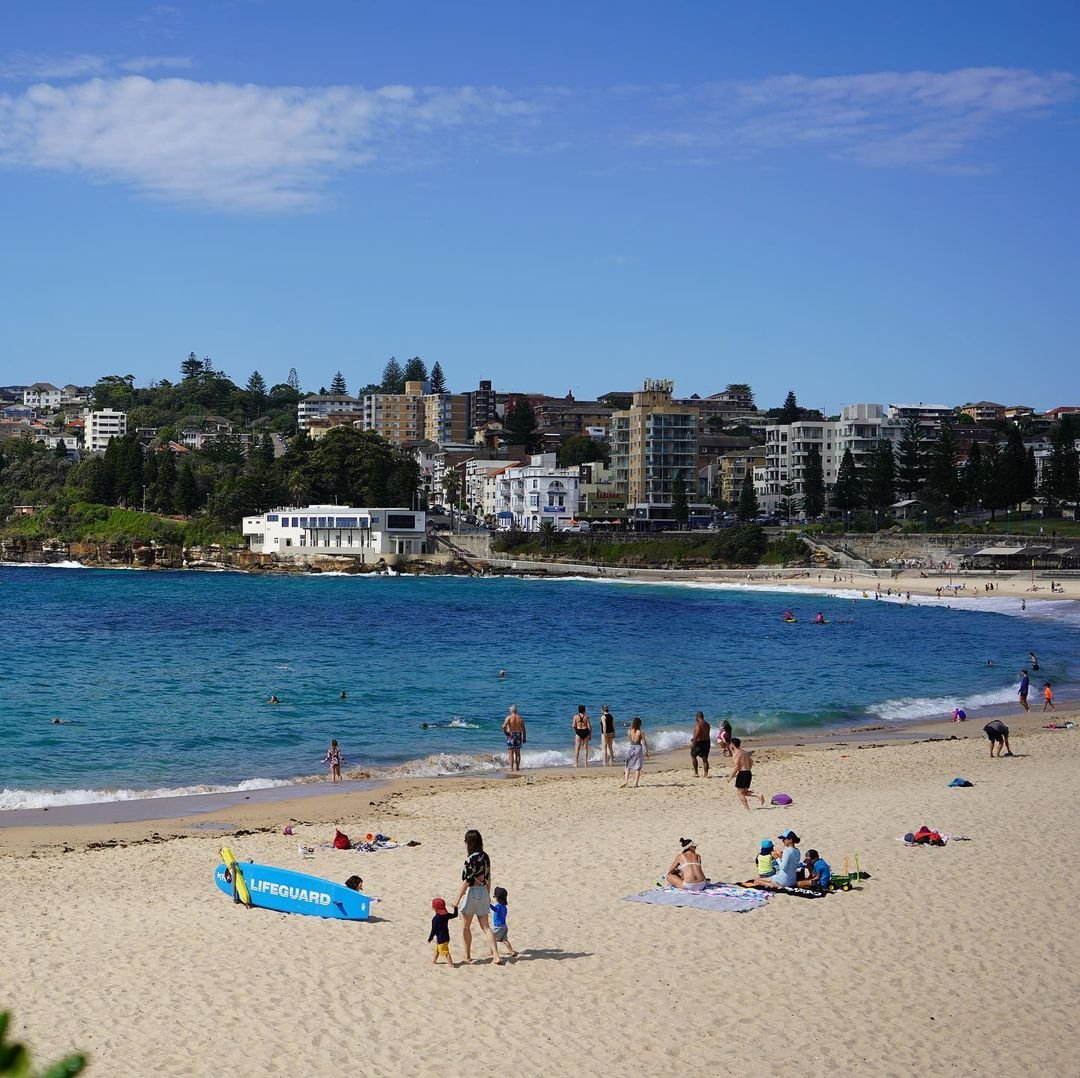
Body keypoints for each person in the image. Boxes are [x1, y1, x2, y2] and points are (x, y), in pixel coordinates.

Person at [453, 830, 502, 965]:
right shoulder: (485, 857)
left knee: (466, 927)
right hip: (483, 892)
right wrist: (487, 894)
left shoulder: (470, 859)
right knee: (486, 927)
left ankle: (467, 955)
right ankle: (496, 955)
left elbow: (467, 881)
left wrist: (457, 900)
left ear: (469, 842)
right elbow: (488, 877)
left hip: (472, 893)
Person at [726, 737, 764, 810]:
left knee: (739, 793)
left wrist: (730, 777)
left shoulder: (736, 754)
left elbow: (737, 767)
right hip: (748, 772)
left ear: (733, 745)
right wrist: (748, 769)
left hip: (742, 773)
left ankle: (747, 809)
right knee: (744, 792)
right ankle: (758, 795)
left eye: (730, 744)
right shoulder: (743, 752)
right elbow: (751, 761)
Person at [428, 897, 459, 967]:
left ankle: (451, 964)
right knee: (437, 949)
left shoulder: (435, 919)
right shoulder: (446, 915)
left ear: (434, 908)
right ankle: (434, 961)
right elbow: (455, 915)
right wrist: (455, 908)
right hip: (446, 937)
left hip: (441, 939)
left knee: (445, 952)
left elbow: (433, 931)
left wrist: (430, 938)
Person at [620, 717, 649, 788]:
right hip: (638, 748)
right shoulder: (641, 732)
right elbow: (644, 742)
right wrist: (647, 751)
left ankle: (626, 781)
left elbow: (630, 733)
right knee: (638, 767)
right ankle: (635, 784)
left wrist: (629, 726)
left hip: (631, 747)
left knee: (627, 766)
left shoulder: (629, 731)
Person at [489, 886, 517, 957]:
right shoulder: (504, 906)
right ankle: (511, 951)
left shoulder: (498, 906)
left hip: (498, 927)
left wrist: (489, 904)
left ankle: (492, 953)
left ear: (497, 897)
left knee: (491, 939)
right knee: (505, 940)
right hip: (504, 926)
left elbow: (495, 909)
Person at [502, 705, 527, 772]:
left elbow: (503, 726)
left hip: (511, 735)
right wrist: (524, 737)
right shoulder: (520, 718)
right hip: (518, 735)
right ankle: (517, 768)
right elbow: (524, 729)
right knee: (518, 753)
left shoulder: (509, 718)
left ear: (510, 711)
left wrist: (505, 732)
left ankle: (511, 768)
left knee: (511, 753)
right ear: (516, 711)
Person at [690, 711, 711, 778]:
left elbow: (697, 734)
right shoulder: (707, 724)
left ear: (697, 717)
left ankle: (696, 773)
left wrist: (693, 743)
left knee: (693, 756)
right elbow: (706, 733)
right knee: (705, 759)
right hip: (707, 742)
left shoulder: (698, 725)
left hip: (699, 743)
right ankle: (706, 774)